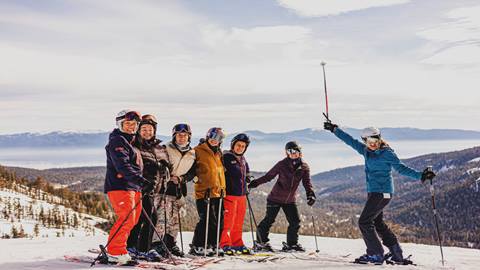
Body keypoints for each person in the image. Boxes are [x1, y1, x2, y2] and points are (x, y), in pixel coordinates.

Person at [323, 121, 436, 264]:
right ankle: (396, 253)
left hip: (383, 193)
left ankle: (376, 254)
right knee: (377, 222)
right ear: (365, 141)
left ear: (380, 138)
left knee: (364, 221)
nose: (372, 143)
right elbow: (350, 141)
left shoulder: (387, 153)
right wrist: (334, 129)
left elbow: (401, 168)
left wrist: (421, 175)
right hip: (373, 192)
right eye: (369, 141)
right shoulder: (366, 151)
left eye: (375, 140)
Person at [249, 141, 315, 252]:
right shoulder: (282, 164)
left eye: (295, 151)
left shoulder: (304, 167)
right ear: (286, 153)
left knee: (295, 222)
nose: (292, 153)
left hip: (289, 200)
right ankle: (261, 242)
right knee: (269, 220)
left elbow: (307, 183)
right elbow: (268, 176)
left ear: (300, 152)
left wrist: (310, 194)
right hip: (275, 198)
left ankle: (292, 244)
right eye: (289, 151)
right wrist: (255, 183)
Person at [104, 110, 149, 265]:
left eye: (134, 124)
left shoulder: (130, 141)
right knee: (126, 218)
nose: (131, 127)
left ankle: (118, 249)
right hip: (120, 186)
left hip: (133, 187)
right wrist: (141, 180)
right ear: (120, 124)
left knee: (133, 220)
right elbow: (122, 166)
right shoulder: (118, 141)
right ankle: (115, 252)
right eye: (127, 123)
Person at [126, 114, 169, 260]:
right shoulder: (135, 146)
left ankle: (132, 246)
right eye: (143, 129)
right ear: (138, 130)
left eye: (150, 129)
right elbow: (132, 166)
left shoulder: (158, 147)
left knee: (140, 219)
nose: (147, 132)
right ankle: (144, 248)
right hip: (140, 188)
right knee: (151, 217)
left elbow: (165, 163)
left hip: (153, 188)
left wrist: (164, 168)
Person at [158, 123, 197, 257]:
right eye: (179, 135)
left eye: (185, 135)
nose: (182, 137)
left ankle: (171, 243)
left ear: (189, 137)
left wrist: (181, 179)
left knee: (175, 219)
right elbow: (159, 163)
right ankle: (158, 245)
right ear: (174, 136)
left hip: (179, 190)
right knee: (162, 218)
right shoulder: (166, 148)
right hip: (164, 188)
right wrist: (167, 175)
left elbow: (193, 172)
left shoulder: (192, 153)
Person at [189, 127, 227, 256]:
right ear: (208, 136)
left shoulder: (219, 153)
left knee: (219, 221)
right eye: (213, 137)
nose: (215, 140)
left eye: (218, 138)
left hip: (219, 192)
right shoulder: (198, 150)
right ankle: (198, 245)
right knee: (207, 221)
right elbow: (191, 168)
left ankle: (213, 244)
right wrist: (192, 177)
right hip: (204, 192)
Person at [220, 133, 253, 256]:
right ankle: (224, 244)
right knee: (228, 222)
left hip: (242, 195)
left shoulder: (242, 158)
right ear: (233, 145)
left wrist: (248, 177)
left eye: (243, 146)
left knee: (238, 222)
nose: (240, 148)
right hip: (230, 195)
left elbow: (246, 170)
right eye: (238, 145)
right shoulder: (226, 157)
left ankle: (237, 243)